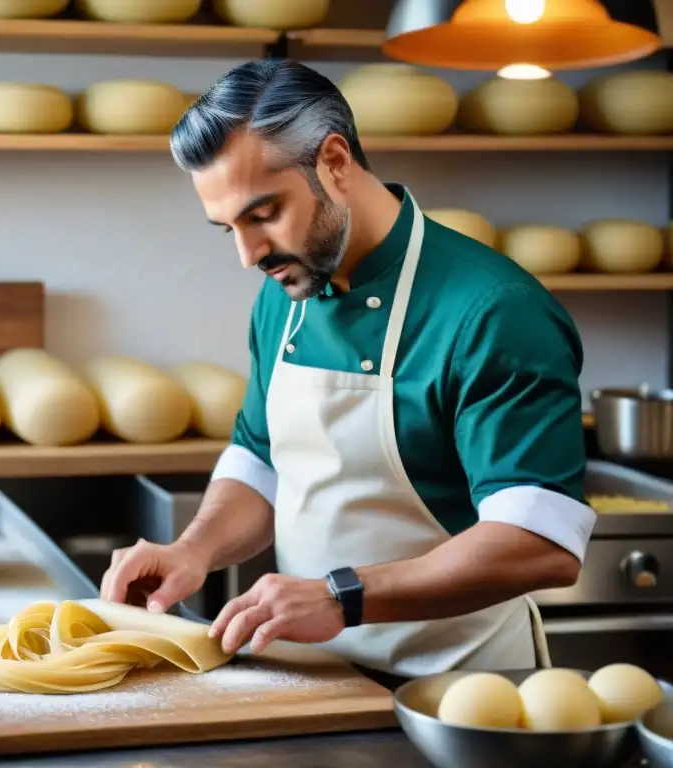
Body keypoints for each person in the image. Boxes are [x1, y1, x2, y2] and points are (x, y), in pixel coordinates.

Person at [99, 59, 596, 681]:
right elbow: (262, 462)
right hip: (316, 679)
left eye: (262, 214)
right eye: (227, 227)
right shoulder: (285, 293)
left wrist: (341, 596)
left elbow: (540, 544)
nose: (247, 255)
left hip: (461, 690)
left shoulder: (493, 311)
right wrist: (193, 550)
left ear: (334, 162)